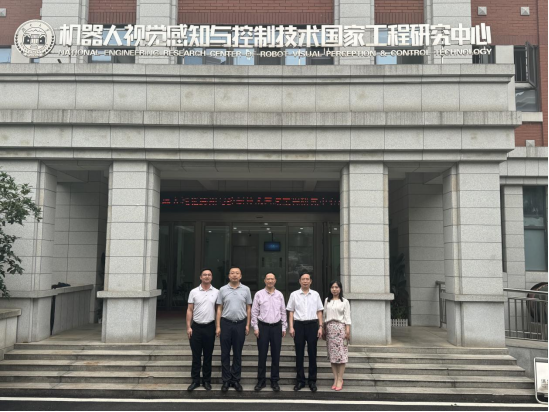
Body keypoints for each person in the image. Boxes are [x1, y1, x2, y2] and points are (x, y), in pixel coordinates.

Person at [216, 266, 252, 393]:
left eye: (237, 273)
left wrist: (248, 325)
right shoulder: (222, 290)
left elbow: (248, 308)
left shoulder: (246, 289)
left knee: (237, 353)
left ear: (240, 276)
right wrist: (218, 326)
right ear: (229, 276)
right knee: (225, 353)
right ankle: (226, 380)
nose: (235, 275)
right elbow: (219, 308)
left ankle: (236, 379)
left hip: (240, 324)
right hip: (226, 323)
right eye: (232, 273)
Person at [286, 272, 324, 392]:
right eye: (303, 279)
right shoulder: (294, 295)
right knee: (299, 354)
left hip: (312, 325)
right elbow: (291, 312)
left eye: (307, 279)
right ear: (299, 281)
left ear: (310, 281)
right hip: (299, 325)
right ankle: (300, 381)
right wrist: (291, 327)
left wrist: (320, 327)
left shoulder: (315, 294)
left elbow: (319, 311)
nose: (305, 281)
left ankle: (312, 381)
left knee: (312, 353)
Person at [251, 273, 287, 392]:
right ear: (265, 280)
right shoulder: (259, 294)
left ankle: (274, 380)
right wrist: (255, 327)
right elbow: (254, 312)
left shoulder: (279, 295)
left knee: (276, 355)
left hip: (276, 327)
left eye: (272, 279)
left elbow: (283, 312)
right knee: (262, 355)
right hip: (263, 327)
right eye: (268, 279)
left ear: (275, 280)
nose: (270, 281)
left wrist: (284, 327)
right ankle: (261, 380)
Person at [186, 268, 219, 392]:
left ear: (212, 277)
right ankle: (195, 380)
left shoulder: (217, 292)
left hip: (210, 327)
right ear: (200, 277)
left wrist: (218, 326)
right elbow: (190, 310)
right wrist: (188, 327)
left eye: (209, 275)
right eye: (204, 275)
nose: (207, 276)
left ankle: (206, 381)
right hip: (196, 327)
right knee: (196, 356)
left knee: (208, 356)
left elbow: (218, 310)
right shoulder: (194, 292)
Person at [323, 280, 351, 391]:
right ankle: (335, 378)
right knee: (333, 356)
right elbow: (325, 315)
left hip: (340, 329)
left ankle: (340, 379)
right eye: (332, 287)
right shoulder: (327, 300)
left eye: (336, 287)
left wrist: (347, 330)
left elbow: (347, 316)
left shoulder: (345, 301)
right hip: (330, 329)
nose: (334, 289)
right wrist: (323, 329)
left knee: (341, 355)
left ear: (340, 289)